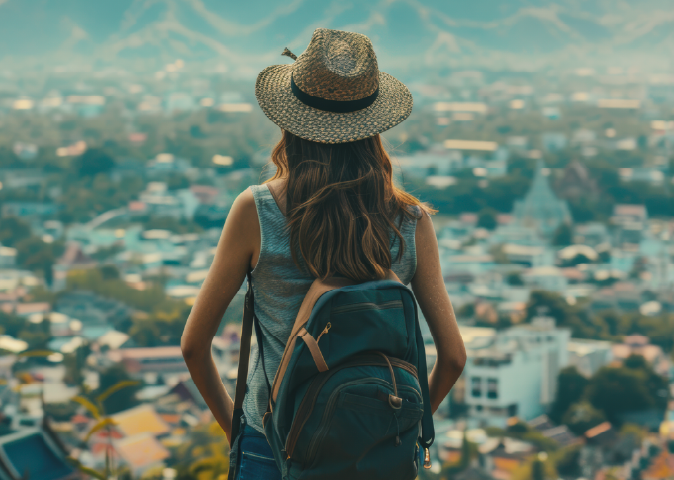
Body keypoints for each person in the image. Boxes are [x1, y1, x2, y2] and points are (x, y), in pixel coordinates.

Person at [180, 28, 466, 479]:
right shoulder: (410, 223)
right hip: (377, 454)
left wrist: (244, 433)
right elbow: (453, 358)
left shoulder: (258, 211)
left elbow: (194, 346)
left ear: (291, 121)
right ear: (373, 126)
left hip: (270, 449)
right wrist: (394, 431)